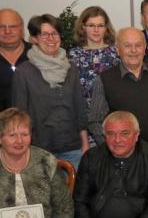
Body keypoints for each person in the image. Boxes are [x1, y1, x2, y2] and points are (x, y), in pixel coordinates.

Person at [10, 14, 89, 169]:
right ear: (34, 38)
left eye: (54, 33)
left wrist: (85, 143)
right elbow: (19, 116)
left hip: (72, 148)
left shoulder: (70, 67)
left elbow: (79, 107)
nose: (50, 38)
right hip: (38, 150)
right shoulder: (24, 72)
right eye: (44, 34)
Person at [88, 27, 148, 156]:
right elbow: (95, 121)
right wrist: (114, 148)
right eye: (127, 46)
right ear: (118, 50)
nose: (133, 50)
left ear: (145, 49)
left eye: (138, 45)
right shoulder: (104, 80)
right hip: (120, 158)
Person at [0, 8, 32, 151]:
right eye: (1, 27)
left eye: (13, 26)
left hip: (34, 136)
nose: (7, 31)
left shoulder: (37, 55)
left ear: (22, 29)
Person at [68, 6, 121, 109]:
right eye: (91, 25)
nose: (96, 30)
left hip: (112, 111)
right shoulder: (74, 54)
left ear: (106, 28)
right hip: (82, 112)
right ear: (83, 27)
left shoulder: (116, 53)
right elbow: (71, 89)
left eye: (100, 25)